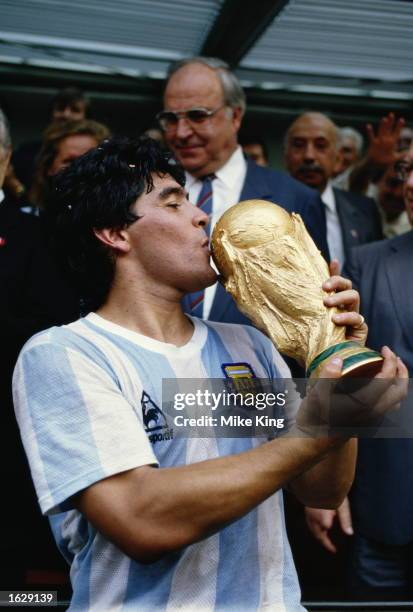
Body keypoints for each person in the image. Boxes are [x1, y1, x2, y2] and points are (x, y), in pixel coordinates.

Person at [12, 137, 406, 611]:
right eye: (173, 203)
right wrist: (320, 431)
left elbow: (322, 489)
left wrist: (336, 363)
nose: (201, 216)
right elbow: (141, 519)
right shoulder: (67, 354)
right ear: (114, 232)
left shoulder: (250, 345)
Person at [305, 145, 413, 601]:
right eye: (406, 170)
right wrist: (325, 482)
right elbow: (338, 366)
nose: (409, 184)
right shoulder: (368, 262)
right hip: (384, 507)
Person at [158, 56, 329, 323]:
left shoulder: (294, 199)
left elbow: (313, 311)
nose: (180, 133)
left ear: (235, 116)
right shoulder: (145, 197)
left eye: (197, 116)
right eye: (170, 118)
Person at [0, 106, 78, 588]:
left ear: (5, 157)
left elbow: (50, 332)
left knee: (13, 595)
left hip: (6, 449)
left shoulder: (35, 236)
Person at [284, 112, 383, 269]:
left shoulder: (365, 211)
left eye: (321, 146)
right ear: (286, 157)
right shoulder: (269, 209)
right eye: (298, 145)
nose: (309, 156)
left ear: (337, 159)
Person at [5, 87, 90, 202]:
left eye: (75, 110)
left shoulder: (93, 155)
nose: (66, 114)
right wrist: (15, 186)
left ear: (86, 118)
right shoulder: (26, 152)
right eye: (60, 108)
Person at [29, 118, 110, 213]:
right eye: (70, 161)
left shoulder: (121, 225)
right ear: (49, 167)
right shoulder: (25, 221)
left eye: (88, 161)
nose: (79, 169)